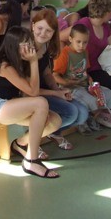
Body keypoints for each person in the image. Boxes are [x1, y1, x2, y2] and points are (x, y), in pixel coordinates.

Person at [0, 27, 61, 179]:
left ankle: (20, 143)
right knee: (40, 103)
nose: (30, 47)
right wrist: (34, 61)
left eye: (30, 42)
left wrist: (56, 92)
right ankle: (31, 160)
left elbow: (31, 90)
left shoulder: (21, 61)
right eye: (25, 44)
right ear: (14, 46)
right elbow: (34, 93)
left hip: (11, 102)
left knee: (54, 121)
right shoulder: (4, 65)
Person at [30, 8, 92, 147]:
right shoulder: (26, 48)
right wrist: (56, 93)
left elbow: (47, 73)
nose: (43, 33)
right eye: (40, 28)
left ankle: (52, 132)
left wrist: (57, 90)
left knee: (82, 113)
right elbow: (29, 90)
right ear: (33, 26)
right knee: (71, 112)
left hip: (46, 92)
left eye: (49, 31)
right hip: (31, 95)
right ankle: (29, 140)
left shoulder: (46, 47)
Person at [53, 24, 111, 128]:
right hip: (71, 88)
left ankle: (109, 113)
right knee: (92, 100)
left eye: (85, 42)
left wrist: (90, 79)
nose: (81, 45)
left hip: (84, 85)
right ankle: (98, 116)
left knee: (109, 94)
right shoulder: (64, 54)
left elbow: (85, 71)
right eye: (78, 42)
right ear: (70, 39)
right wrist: (67, 83)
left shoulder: (84, 52)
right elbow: (55, 76)